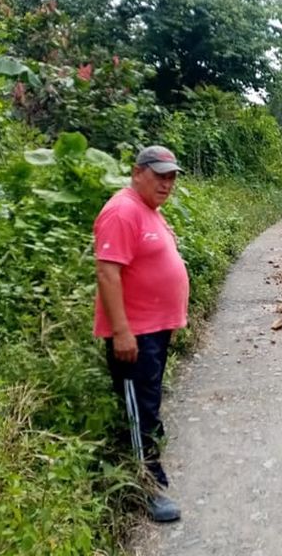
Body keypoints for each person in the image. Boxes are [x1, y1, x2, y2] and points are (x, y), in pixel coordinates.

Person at [93, 145, 188, 523]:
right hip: (135, 336)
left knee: (148, 404)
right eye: (159, 175)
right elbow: (107, 273)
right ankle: (145, 489)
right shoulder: (122, 211)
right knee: (140, 413)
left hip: (154, 332)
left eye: (172, 177)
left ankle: (151, 474)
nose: (167, 183)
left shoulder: (148, 210)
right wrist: (121, 332)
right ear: (137, 173)